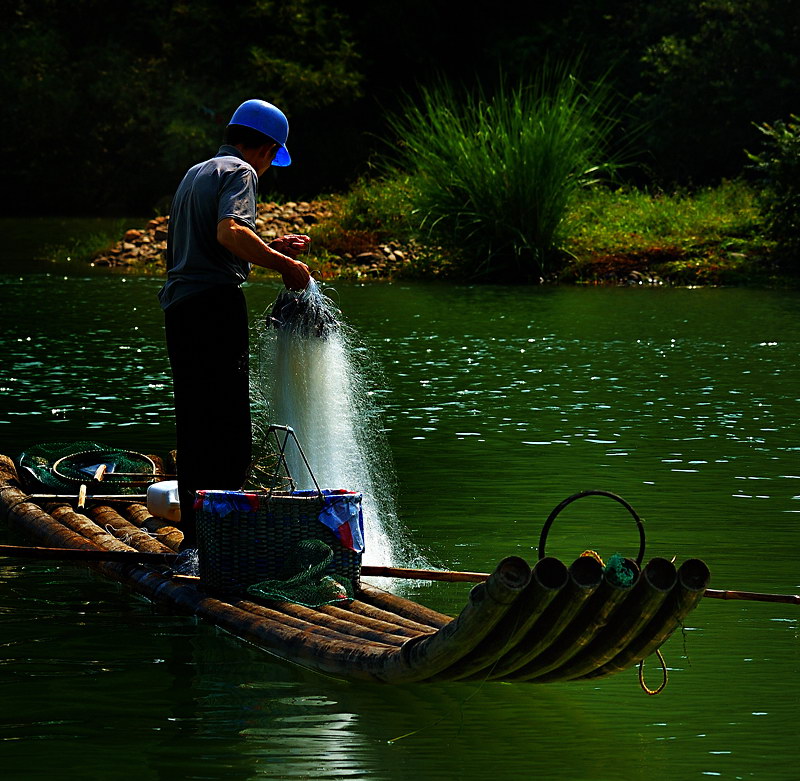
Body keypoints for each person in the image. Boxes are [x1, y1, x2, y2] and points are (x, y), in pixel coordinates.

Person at [159, 99, 311, 550]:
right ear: (264, 149)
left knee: (195, 421)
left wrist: (267, 245)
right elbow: (229, 232)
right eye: (271, 158)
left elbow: (213, 241)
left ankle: (194, 540)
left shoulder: (195, 173)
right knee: (227, 426)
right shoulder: (241, 172)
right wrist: (284, 264)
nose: (266, 168)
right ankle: (226, 541)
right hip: (213, 308)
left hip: (180, 309)